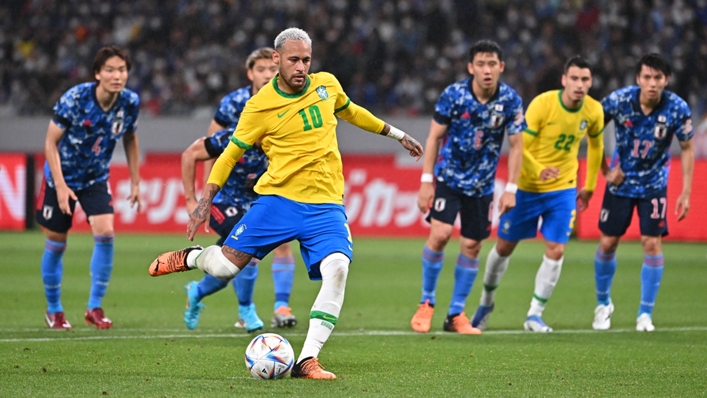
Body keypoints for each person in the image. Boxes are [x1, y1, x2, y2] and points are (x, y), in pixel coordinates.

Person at [148, 28, 423, 379]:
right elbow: (229, 155)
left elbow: (353, 112)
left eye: (306, 60)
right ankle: (191, 258)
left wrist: (397, 134)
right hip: (278, 201)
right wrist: (205, 201)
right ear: (276, 59)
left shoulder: (327, 85)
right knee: (224, 268)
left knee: (338, 268)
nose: (301, 67)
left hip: (325, 205)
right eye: (293, 60)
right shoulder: (259, 105)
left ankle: (307, 360)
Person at [471, 56, 604, 332]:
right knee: (504, 246)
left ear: (590, 82)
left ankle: (534, 314)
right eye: (575, 79)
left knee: (556, 248)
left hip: (563, 188)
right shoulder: (543, 105)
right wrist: (539, 169)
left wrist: (590, 185)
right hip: (528, 186)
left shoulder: (593, 111)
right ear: (564, 80)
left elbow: (595, 146)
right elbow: (521, 148)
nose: (580, 85)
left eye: (585, 80)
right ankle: (486, 302)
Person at [410, 40, 525, 335]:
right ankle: (426, 303)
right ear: (471, 67)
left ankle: (456, 314)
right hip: (448, 179)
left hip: (483, 186)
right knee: (440, 234)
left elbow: (515, 146)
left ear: (501, 67)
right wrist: (426, 182)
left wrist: (511, 187)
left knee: (472, 245)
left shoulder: (510, 101)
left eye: (492, 64)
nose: (487, 70)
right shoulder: (454, 95)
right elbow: (434, 138)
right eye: (481, 64)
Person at [180, 48, 297, 332]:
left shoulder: (290, 104)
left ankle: (198, 292)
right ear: (250, 73)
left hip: (263, 196)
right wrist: (200, 200)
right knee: (249, 252)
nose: (267, 74)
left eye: (271, 69)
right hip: (228, 197)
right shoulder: (234, 116)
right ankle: (246, 310)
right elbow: (201, 152)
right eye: (261, 69)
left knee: (230, 264)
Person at [36, 46, 141, 330]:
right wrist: (59, 185)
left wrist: (134, 180)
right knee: (57, 243)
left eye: (122, 70)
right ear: (97, 74)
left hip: (95, 177)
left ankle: (94, 306)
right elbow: (50, 143)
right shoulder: (75, 99)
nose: (117, 75)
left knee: (106, 231)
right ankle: (55, 310)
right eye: (110, 70)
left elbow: (130, 138)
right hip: (61, 176)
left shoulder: (130, 102)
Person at [592, 53, 693, 332]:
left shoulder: (677, 108)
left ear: (666, 80)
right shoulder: (619, 100)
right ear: (638, 79)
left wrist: (686, 191)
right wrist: (605, 170)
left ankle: (645, 314)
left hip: (654, 185)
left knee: (651, 243)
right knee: (608, 243)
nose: (652, 83)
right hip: (620, 183)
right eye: (646, 77)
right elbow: (592, 128)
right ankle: (603, 304)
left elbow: (686, 148)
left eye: (658, 78)